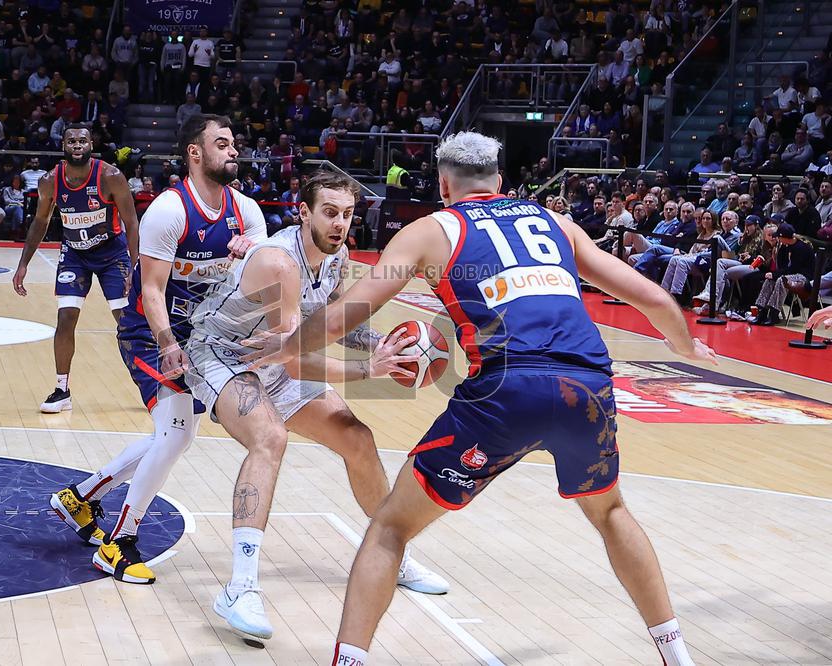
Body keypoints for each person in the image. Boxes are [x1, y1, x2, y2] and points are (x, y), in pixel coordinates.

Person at [243, 131, 714, 666]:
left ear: (444, 184)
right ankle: (678, 657)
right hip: (588, 385)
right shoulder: (555, 222)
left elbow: (352, 309)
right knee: (609, 512)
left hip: (506, 390)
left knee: (391, 526)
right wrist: (685, 343)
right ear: (499, 178)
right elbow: (653, 296)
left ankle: (347, 660)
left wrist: (289, 344)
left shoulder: (431, 229)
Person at [183, 169, 449, 640]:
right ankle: (240, 586)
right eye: (329, 212)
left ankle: (395, 554)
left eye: (347, 214)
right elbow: (295, 362)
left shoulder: (337, 254)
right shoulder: (279, 262)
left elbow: (333, 322)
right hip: (223, 355)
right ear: (303, 212)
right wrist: (373, 370)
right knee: (270, 437)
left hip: (274, 357)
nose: (340, 223)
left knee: (358, 439)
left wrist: (382, 343)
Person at [49, 114, 266, 583]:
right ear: (195, 152)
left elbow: (264, 281)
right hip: (152, 331)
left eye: (235, 143)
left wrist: (252, 256)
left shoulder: (247, 212)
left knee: (172, 435)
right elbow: (149, 291)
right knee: (175, 435)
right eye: (222, 143)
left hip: (203, 335)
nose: (234, 151)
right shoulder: (169, 210)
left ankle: (81, 498)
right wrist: (167, 343)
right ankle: (119, 543)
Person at [12, 124, 140, 412]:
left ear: (91, 145)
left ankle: (151, 382)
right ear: (64, 146)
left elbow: (132, 222)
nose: (77, 145)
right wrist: (23, 264)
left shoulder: (111, 176)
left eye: (82, 140)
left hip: (111, 253)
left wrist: (135, 266)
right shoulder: (49, 181)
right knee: (66, 318)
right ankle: (61, 390)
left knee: (126, 322)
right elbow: (41, 222)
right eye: (72, 141)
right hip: (74, 254)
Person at [749, 223, 816, 326]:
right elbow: (783, 267)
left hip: (803, 276)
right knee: (770, 280)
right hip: (789, 273)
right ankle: (761, 311)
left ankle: (774, 314)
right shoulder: (785, 247)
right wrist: (773, 274)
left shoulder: (801, 248)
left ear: (783, 237)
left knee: (781, 280)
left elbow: (794, 269)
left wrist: (775, 274)